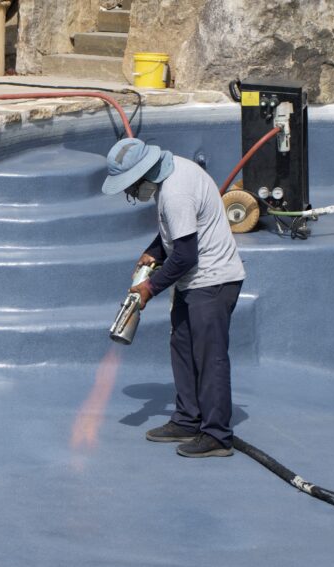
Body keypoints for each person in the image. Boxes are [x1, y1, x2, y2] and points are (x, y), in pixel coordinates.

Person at [102, 137, 245, 458]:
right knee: (182, 346)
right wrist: (153, 251)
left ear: (143, 174)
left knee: (210, 358)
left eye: (131, 185)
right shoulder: (171, 173)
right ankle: (188, 418)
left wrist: (149, 289)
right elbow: (176, 232)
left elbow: (184, 256)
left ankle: (217, 435)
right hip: (192, 282)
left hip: (213, 280)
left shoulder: (175, 192)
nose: (131, 192)